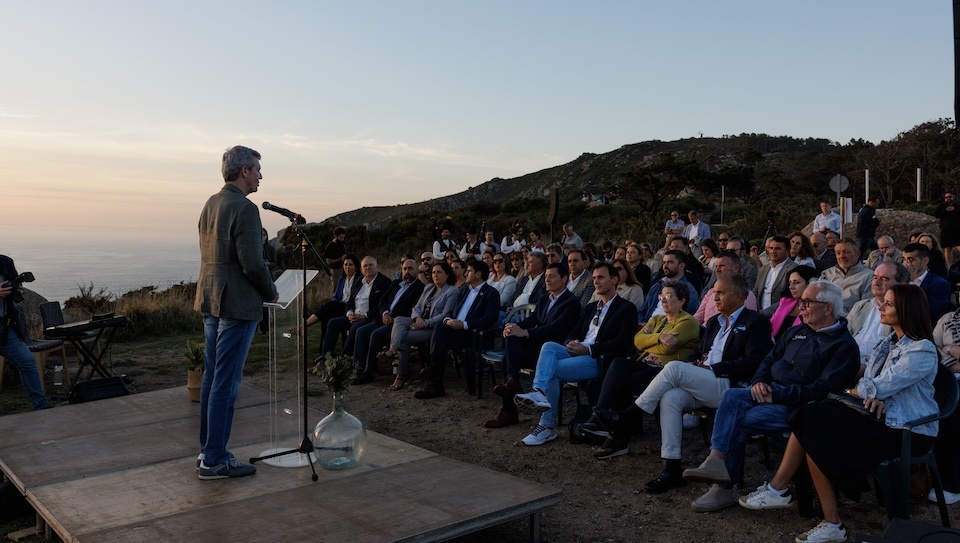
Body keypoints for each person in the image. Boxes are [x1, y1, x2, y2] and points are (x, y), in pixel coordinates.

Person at [737, 284, 938, 543]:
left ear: (907, 310)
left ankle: (788, 493)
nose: (880, 306)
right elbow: (873, 385)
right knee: (812, 419)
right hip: (879, 419)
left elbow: (875, 385)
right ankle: (821, 516)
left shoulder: (921, 349)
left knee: (813, 420)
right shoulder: (887, 343)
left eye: (888, 304)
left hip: (908, 431)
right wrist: (870, 394)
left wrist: (866, 392)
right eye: (883, 301)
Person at [682, 281, 860, 508]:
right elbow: (768, 360)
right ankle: (715, 460)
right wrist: (759, 381)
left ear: (828, 308)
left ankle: (723, 487)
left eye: (807, 302)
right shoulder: (796, 332)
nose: (800, 307)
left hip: (804, 409)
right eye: (800, 301)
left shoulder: (843, 346)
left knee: (737, 418)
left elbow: (822, 389)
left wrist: (777, 394)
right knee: (731, 397)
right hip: (769, 394)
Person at [594, 276, 772, 502]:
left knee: (674, 367)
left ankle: (629, 416)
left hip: (729, 386)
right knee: (671, 397)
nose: (714, 297)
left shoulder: (756, 322)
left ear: (738, 295)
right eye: (714, 292)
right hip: (704, 380)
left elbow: (753, 362)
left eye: (720, 293)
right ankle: (672, 468)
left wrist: (712, 367)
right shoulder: (715, 321)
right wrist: (694, 361)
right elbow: (698, 352)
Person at [195, 146, 279, 480]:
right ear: (244, 170)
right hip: (237, 304)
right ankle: (214, 459)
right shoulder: (244, 208)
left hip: (211, 299)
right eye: (258, 169)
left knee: (211, 377)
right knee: (226, 383)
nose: (260, 175)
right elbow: (253, 264)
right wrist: (272, 292)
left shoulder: (211, 203)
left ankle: (207, 450)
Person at [513, 263, 636, 446]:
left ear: (614, 280)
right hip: (579, 352)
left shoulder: (626, 308)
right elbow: (574, 331)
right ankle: (538, 392)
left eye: (600, 277)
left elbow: (623, 342)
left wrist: (589, 349)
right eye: (594, 278)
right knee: (549, 346)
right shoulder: (591, 307)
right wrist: (571, 342)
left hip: (597, 358)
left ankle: (546, 426)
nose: (596, 281)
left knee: (552, 371)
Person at [581, 280, 700, 460]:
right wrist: (660, 337)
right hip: (647, 364)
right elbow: (637, 340)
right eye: (662, 296)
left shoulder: (688, 322)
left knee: (622, 382)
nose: (663, 300)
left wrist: (652, 344)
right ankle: (603, 418)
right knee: (619, 364)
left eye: (669, 296)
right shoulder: (658, 319)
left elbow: (668, 349)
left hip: (668, 372)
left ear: (682, 301)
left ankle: (615, 435)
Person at [484, 263, 581, 428]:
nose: (547, 280)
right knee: (512, 337)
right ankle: (512, 382)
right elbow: (532, 320)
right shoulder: (544, 298)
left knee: (509, 358)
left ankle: (509, 409)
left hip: (553, 349)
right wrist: (515, 327)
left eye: (552, 276)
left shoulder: (571, 302)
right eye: (546, 276)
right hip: (537, 345)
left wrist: (526, 333)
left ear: (564, 279)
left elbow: (556, 328)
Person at [415, 260, 500, 399]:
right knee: (440, 328)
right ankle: (435, 379)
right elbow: (451, 312)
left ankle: (433, 375)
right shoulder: (465, 290)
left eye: (469, 271)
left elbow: (489, 319)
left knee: (439, 339)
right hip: (455, 330)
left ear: (478, 274)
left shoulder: (491, 293)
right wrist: (448, 321)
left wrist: (464, 325)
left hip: (473, 334)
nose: (465, 273)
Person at [379, 262, 459, 391]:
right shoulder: (429, 288)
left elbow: (446, 314)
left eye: (439, 272)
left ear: (447, 274)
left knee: (404, 337)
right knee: (399, 319)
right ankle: (394, 349)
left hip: (434, 328)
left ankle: (401, 374)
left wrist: (424, 323)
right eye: (433, 272)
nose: (435, 275)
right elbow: (416, 307)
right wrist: (418, 318)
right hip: (419, 321)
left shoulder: (452, 291)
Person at [349, 258, 424, 384]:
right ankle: (358, 369)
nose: (407, 272)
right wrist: (385, 313)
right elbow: (382, 301)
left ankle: (369, 372)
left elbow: (413, 309)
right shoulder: (396, 284)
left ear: (416, 270)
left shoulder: (419, 288)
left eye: (410, 269)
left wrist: (392, 318)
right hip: (384, 318)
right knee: (361, 331)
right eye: (405, 269)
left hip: (398, 324)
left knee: (375, 335)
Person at [317, 256, 391, 362]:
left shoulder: (384, 282)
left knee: (356, 328)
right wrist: (349, 313)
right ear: (361, 269)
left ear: (376, 267)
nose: (368, 268)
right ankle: (325, 356)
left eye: (371, 265)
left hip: (370, 318)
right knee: (332, 323)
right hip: (354, 316)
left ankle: (344, 360)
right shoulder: (358, 281)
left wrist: (364, 316)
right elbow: (350, 301)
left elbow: (382, 305)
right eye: (365, 266)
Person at [0, 255, 48, 411]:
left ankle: (41, 408)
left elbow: (15, 283)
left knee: (27, 362)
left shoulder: (5, 262)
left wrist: (17, 287)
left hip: (4, 327)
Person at [847, 262, 910, 366]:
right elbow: (844, 335)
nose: (876, 282)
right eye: (875, 277)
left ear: (902, 284)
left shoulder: (904, 312)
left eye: (884, 278)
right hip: (846, 361)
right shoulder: (860, 306)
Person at [303, 254, 362, 347]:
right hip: (339, 307)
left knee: (330, 305)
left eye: (350, 265)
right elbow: (336, 297)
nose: (347, 267)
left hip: (350, 308)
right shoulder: (342, 279)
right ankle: (324, 354)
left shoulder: (360, 279)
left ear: (356, 266)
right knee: (326, 317)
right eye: (345, 265)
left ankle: (304, 326)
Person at [933, 307, 960, 504]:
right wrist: (953, 352)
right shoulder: (949, 318)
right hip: (944, 375)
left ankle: (952, 484)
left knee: (952, 411)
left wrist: (947, 348)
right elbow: (932, 347)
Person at [694, 252, 759, 325]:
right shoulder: (711, 292)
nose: (717, 270)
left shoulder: (744, 295)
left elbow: (743, 324)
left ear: (736, 268)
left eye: (722, 266)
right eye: (716, 266)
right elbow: (697, 318)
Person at [638, 250, 700, 323]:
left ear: (681, 266)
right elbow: (643, 311)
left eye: (670, 262)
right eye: (664, 262)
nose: (665, 266)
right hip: (648, 326)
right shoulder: (657, 286)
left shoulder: (688, 290)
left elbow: (689, 315)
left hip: (670, 328)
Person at [762, 266, 819, 341]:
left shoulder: (816, 307)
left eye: (796, 282)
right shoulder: (785, 302)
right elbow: (771, 325)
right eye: (790, 283)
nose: (791, 287)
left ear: (810, 283)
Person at [902, 242, 952, 324]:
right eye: (904, 259)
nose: (906, 264)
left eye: (911, 260)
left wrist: (909, 283)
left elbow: (930, 312)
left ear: (925, 261)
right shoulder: (900, 281)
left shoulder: (939, 284)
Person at [819, 238, 873, 313]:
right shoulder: (827, 274)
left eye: (846, 252)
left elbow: (865, 309)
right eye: (838, 253)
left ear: (857, 254)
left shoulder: (868, 276)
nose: (842, 256)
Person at [754, 236, 798, 311]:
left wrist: (764, 313)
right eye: (771, 248)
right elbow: (756, 291)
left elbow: (788, 298)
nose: (773, 251)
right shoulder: (763, 269)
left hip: (781, 315)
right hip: (758, 314)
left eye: (777, 248)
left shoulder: (793, 269)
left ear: (787, 251)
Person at [934, 189, 960, 267]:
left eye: (949, 197)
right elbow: (936, 214)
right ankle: (949, 266)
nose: (948, 198)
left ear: (953, 197)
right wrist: (945, 210)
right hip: (946, 230)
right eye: (946, 197)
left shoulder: (958, 206)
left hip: (958, 230)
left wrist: (955, 209)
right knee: (947, 248)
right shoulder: (942, 206)